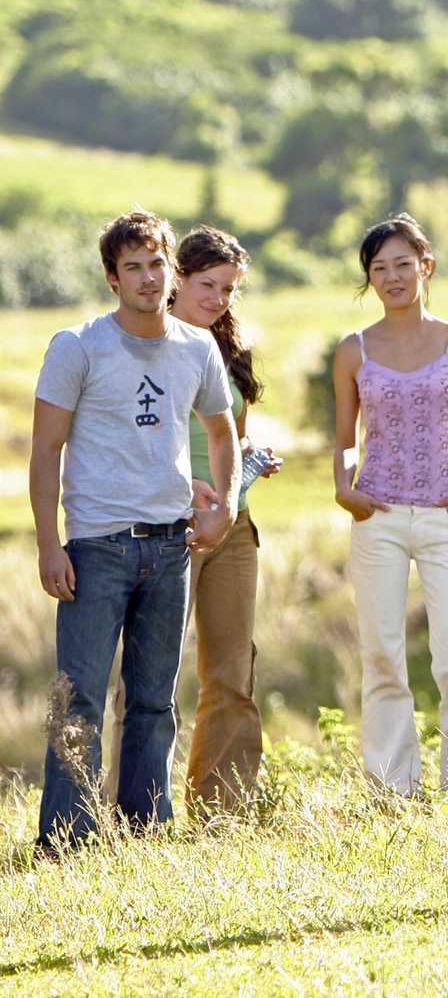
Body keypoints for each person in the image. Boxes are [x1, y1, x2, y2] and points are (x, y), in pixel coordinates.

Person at [31, 208, 238, 853]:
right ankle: (67, 839)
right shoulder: (78, 347)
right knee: (81, 701)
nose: (148, 278)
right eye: (134, 268)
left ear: (171, 270)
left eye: (157, 265)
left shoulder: (196, 347)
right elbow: (44, 451)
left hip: (171, 545)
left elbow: (222, 429)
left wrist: (225, 502)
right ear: (112, 278)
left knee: (153, 701)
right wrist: (47, 543)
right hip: (96, 545)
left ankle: (145, 830)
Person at [331, 214, 448, 797]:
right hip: (378, 518)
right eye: (379, 268)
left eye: (403, 264)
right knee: (382, 656)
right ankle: (391, 786)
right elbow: (347, 436)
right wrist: (344, 488)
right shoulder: (353, 350)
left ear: (426, 267)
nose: (392, 276)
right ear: (368, 280)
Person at [170, 226, 283, 810]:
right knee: (154, 677)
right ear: (176, 280)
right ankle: (134, 809)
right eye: (207, 285)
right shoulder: (150, 344)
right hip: (172, 526)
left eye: (229, 289)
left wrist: (251, 462)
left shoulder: (227, 350)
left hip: (234, 524)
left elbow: (229, 438)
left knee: (233, 671)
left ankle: (223, 810)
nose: (217, 299)